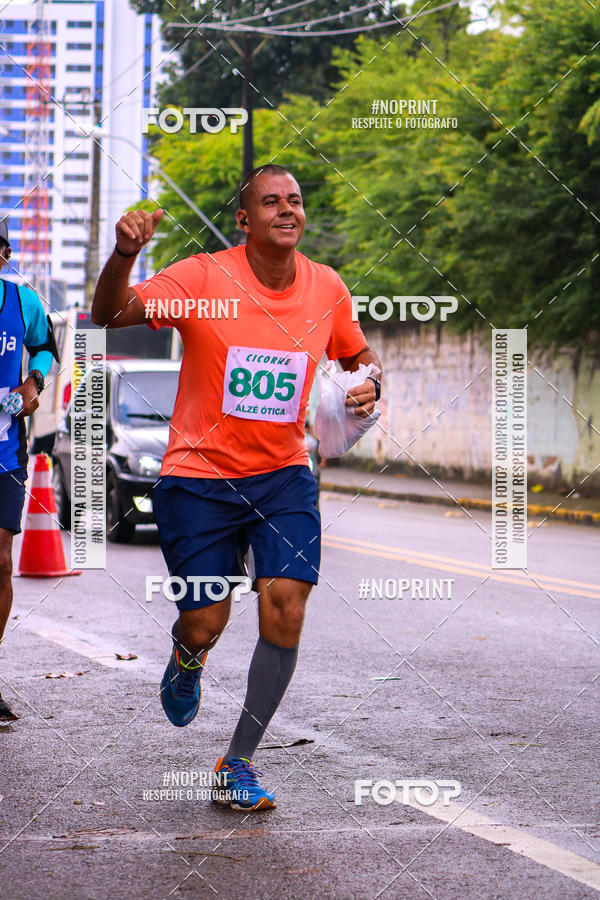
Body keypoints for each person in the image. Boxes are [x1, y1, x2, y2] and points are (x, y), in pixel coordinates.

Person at [92, 164, 383, 810]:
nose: (288, 210)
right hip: (198, 478)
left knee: (287, 605)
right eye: (271, 201)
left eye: (295, 200)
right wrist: (124, 254)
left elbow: (359, 357)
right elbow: (108, 313)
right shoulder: (202, 279)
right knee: (205, 622)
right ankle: (187, 656)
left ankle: (238, 762)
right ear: (245, 220)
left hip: (284, 475)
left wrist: (370, 383)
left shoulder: (327, 287)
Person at [0, 219, 59, 720]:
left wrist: (34, 381)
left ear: (5, 256)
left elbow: (45, 348)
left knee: (0, 561)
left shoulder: (24, 302)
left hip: (4, 451)